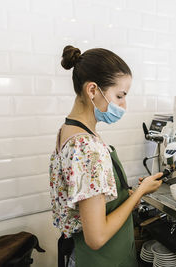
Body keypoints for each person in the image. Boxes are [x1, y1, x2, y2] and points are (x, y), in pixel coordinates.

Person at [49, 45, 163, 267]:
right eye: (119, 95)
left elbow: (87, 196)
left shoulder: (69, 130)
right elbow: (96, 238)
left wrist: (124, 195)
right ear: (92, 90)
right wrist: (139, 192)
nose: (123, 105)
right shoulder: (86, 147)